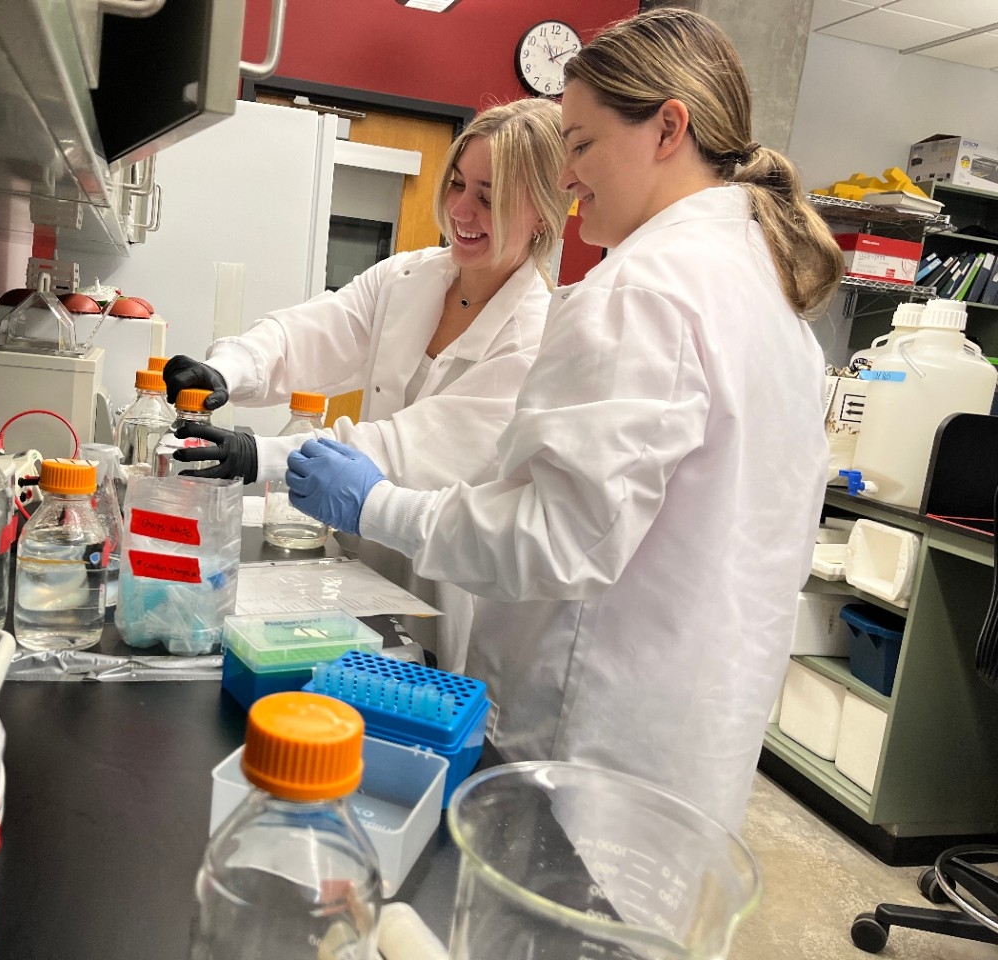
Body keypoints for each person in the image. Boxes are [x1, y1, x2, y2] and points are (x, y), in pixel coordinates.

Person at [283, 8, 844, 829]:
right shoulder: (771, 297)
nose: (569, 175)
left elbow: (554, 540)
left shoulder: (642, 292)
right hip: (691, 742)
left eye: (579, 144)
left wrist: (374, 505)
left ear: (667, 129)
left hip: (587, 750)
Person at [163, 99, 572, 672]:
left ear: (543, 215)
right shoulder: (407, 278)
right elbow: (309, 333)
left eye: (489, 195)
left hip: (441, 587)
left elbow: (407, 449)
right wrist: (227, 368)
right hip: (356, 570)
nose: (460, 208)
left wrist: (262, 455)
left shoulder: (535, 337)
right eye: (456, 184)